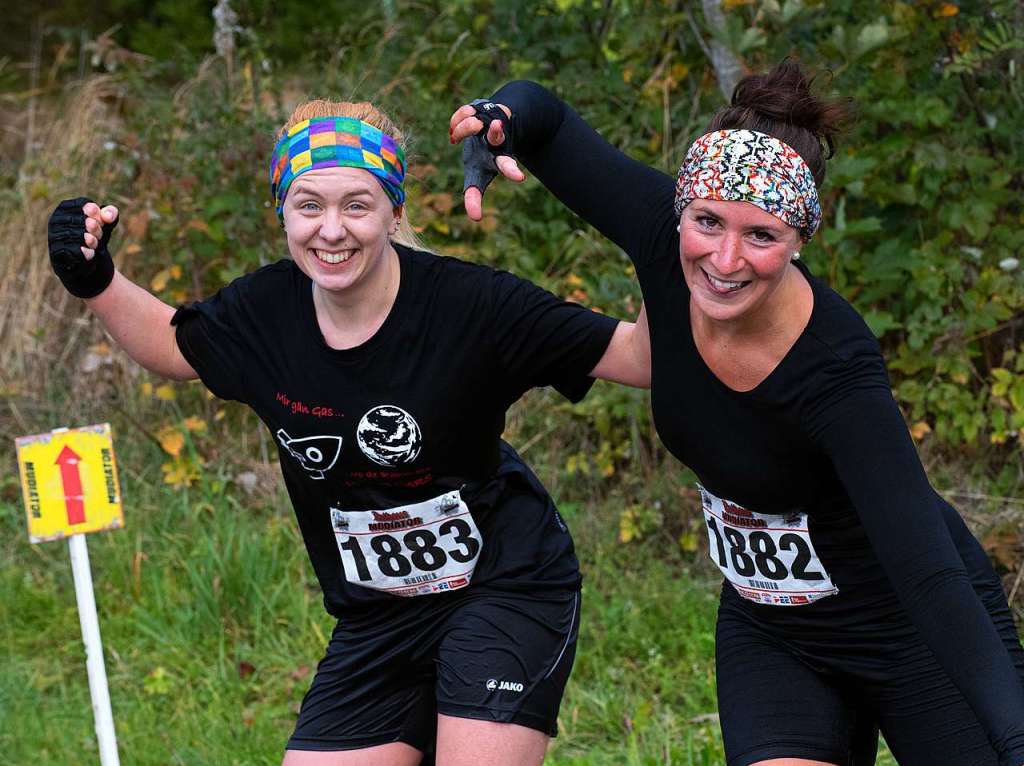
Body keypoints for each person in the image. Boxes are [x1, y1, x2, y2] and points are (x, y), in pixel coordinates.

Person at [449, 60, 1024, 766]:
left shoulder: (836, 369)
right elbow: (549, 120)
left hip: (908, 631)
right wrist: (501, 118)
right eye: (708, 222)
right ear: (682, 212)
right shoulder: (665, 242)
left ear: (802, 238)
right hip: (772, 626)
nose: (724, 259)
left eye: (762, 236)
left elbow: (929, 574)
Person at [46, 98, 650, 766]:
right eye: (309, 206)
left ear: (395, 210)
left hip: (504, 585)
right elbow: (172, 347)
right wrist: (95, 280)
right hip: (379, 614)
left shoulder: (470, 306)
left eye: (357, 206)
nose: (331, 231)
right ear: (282, 211)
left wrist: (654, 234)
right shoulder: (263, 312)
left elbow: (637, 357)